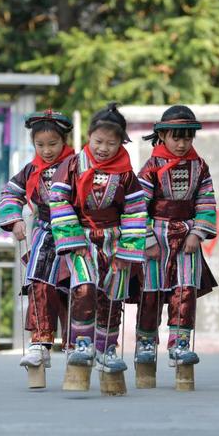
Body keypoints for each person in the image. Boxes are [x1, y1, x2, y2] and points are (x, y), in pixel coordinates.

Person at [49, 102, 147, 374]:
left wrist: (128, 252)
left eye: (111, 143)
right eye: (98, 141)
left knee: (112, 295)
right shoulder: (71, 165)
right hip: (81, 240)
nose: (103, 148)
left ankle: (107, 348)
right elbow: (57, 200)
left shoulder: (126, 174)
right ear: (89, 137)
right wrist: (73, 240)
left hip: (115, 242)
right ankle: (82, 344)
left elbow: (136, 210)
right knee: (84, 287)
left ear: (121, 143)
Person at [133, 105, 217, 368]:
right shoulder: (151, 166)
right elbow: (137, 205)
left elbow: (206, 200)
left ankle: (180, 344)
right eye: (176, 137)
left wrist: (198, 233)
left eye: (187, 138)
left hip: (187, 237)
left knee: (185, 290)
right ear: (162, 136)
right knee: (152, 291)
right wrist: (146, 239)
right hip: (156, 236)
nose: (182, 144)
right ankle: (146, 343)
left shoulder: (200, 166)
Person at [0, 109, 74, 369]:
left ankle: (77, 344)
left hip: (76, 236)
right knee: (40, 285)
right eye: (39, 145)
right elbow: (10, 193)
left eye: (52, 144)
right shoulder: (31, 169)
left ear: (65, 140)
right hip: (44, 235)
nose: (46, 150)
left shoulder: (78, 165)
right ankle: (40, 343)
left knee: (75, 290)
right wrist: (16, 219)